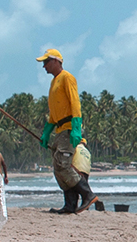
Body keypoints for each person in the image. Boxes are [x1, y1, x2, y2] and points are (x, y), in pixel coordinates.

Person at [35, 48, 94, 214]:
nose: (44, 66)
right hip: (59, 129)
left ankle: (88, 194)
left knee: (63, 165)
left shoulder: (67, 77)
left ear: (56, 61)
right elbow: (54, 112)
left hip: (68, 128)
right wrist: (47, 131)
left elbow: (75, 103)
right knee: (58, 167)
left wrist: (76, 128)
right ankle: (70, 205)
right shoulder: (54, 82)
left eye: (46, 62)